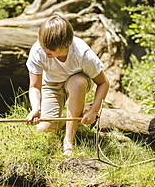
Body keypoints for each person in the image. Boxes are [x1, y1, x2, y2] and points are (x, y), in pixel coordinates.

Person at [26, 15, 109, 156]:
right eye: (44, 47)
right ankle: (69, 118)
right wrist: (36, 108)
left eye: (51, 50)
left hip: (76, 81)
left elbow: (103, 83)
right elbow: (35, 86)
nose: (46, 52)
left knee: (77, 82)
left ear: (67, 44)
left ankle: (68, 141)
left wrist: (94, 110)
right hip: (52, 84)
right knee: (45, 128)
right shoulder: (38, 51)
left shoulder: (82, 54)